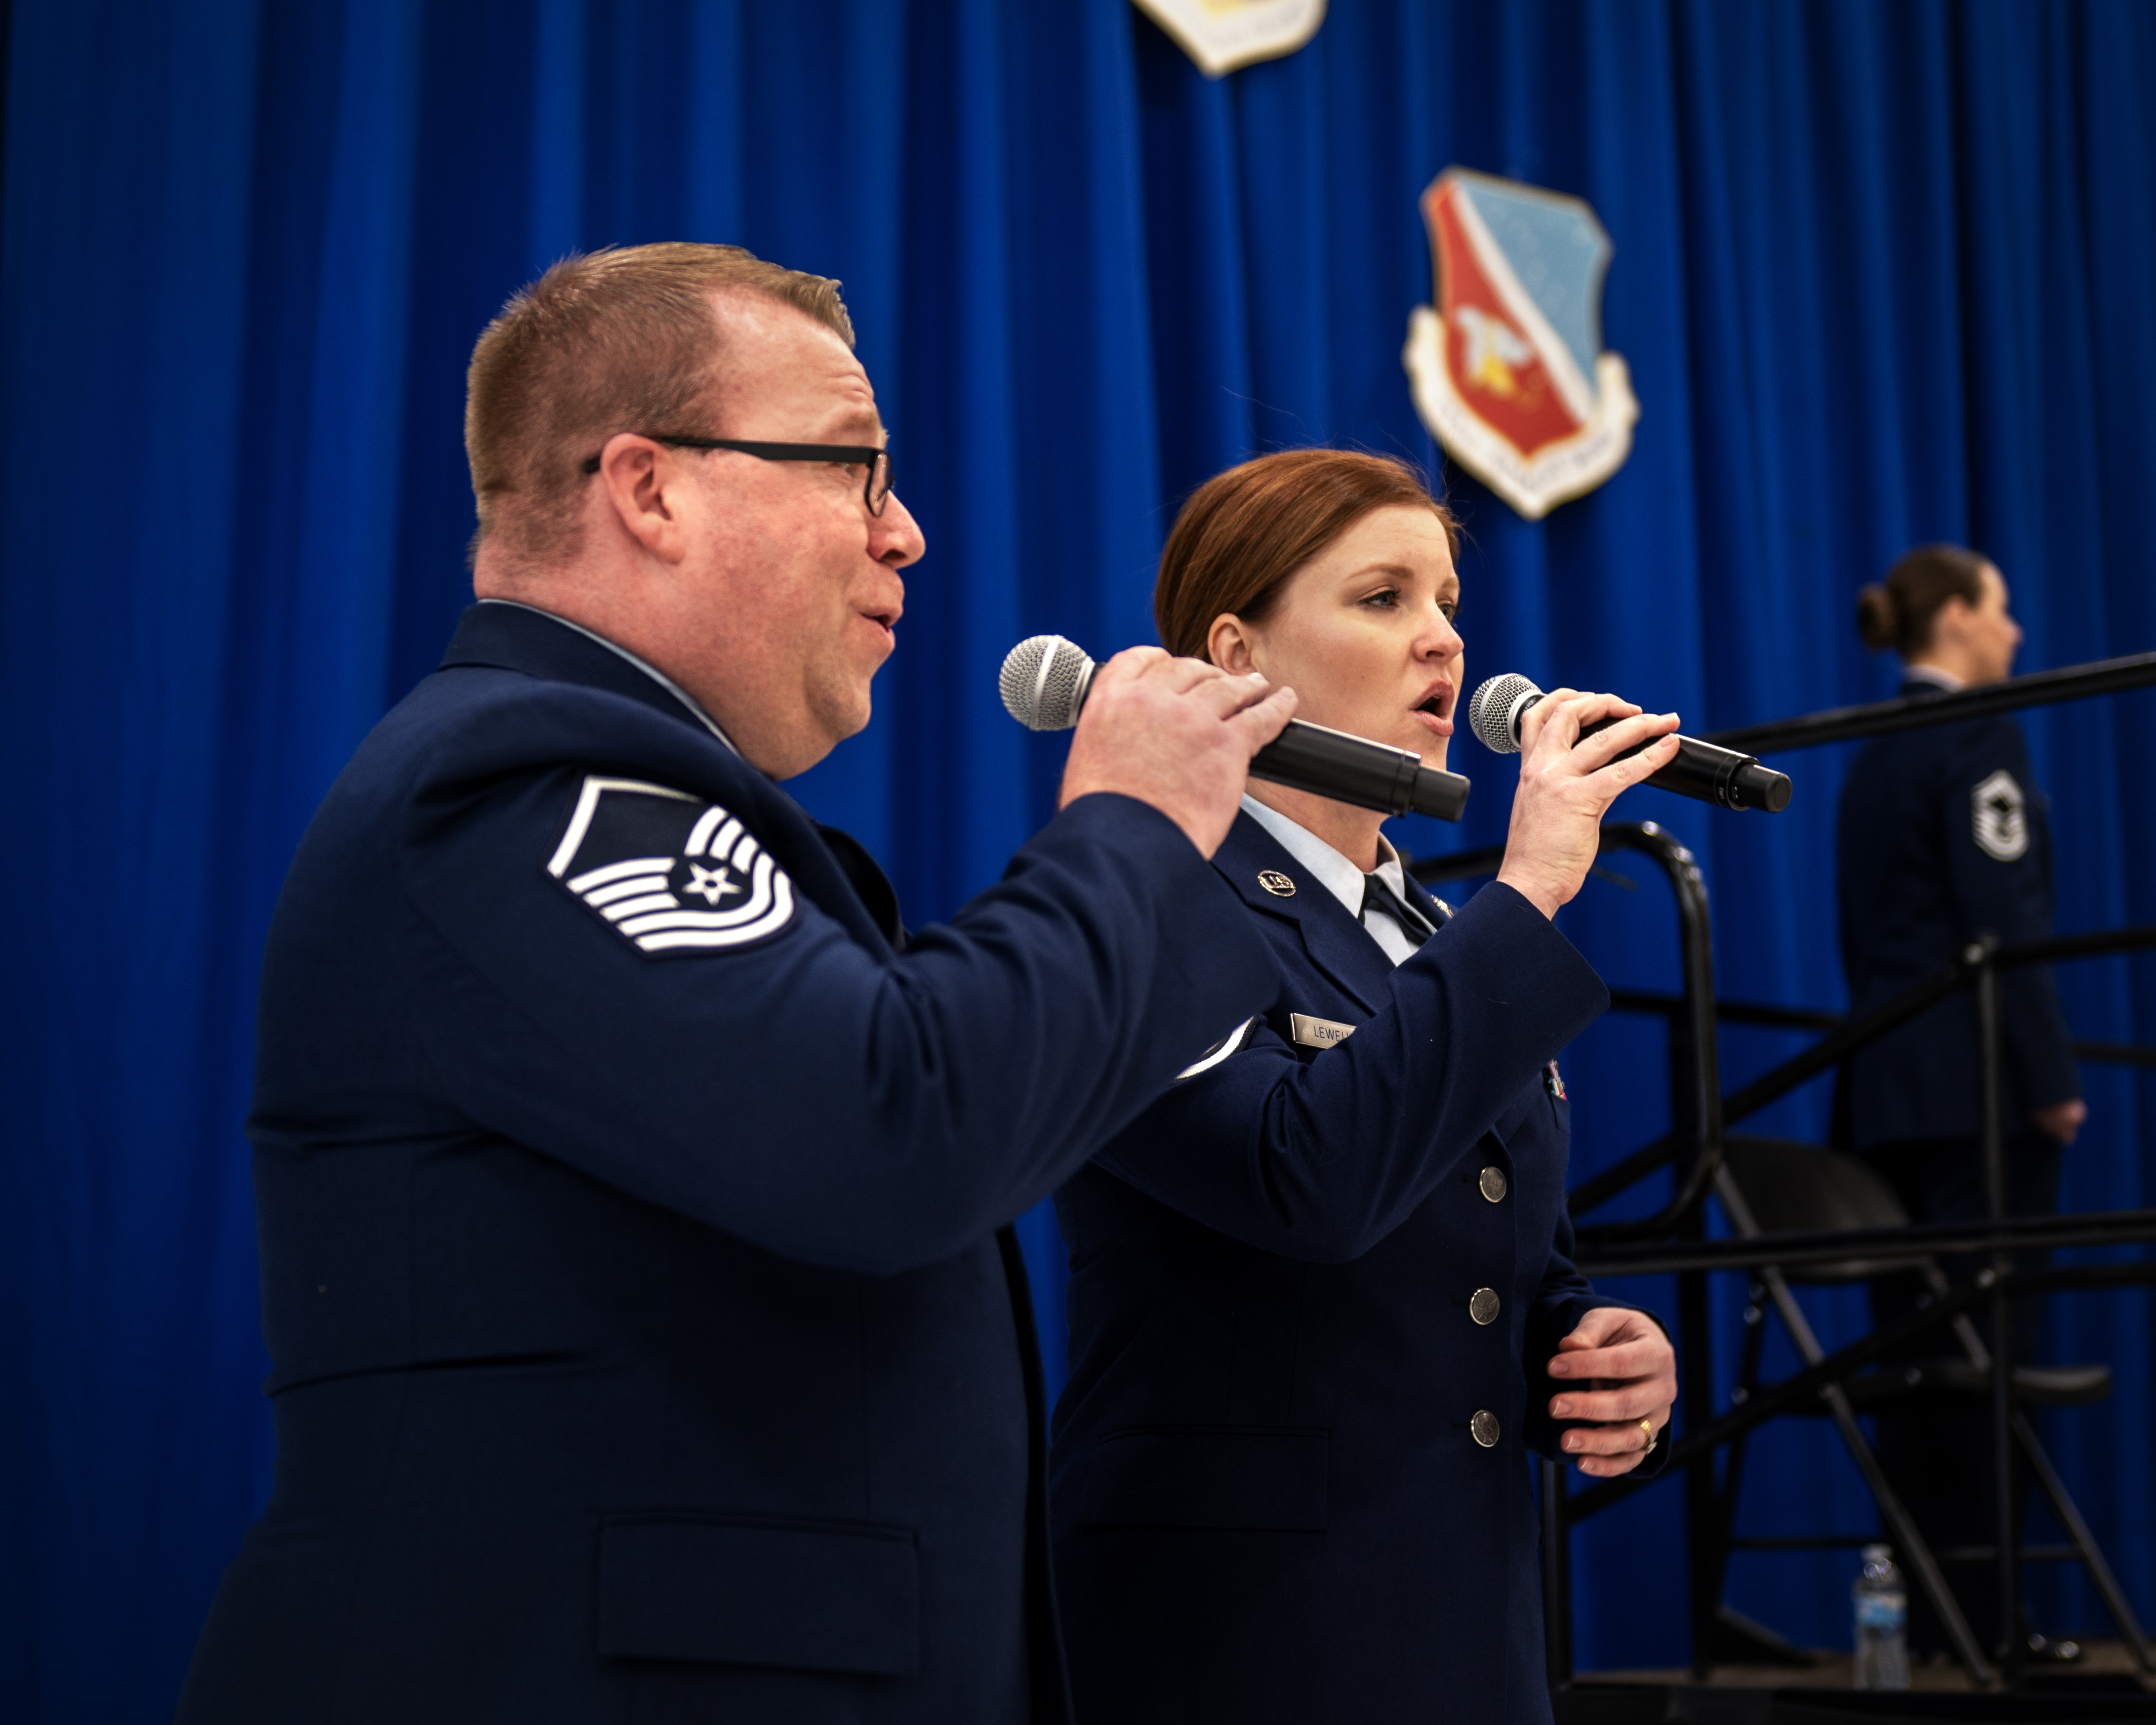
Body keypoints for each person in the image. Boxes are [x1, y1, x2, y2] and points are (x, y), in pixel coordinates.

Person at [174, 243, 1302, 1725]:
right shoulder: (522, 771)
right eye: (851, 467)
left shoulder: (588, 773)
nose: (904, 532)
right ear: (650, 490)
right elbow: (896, 1131)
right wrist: (1134, 825)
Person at [1048, 449, 1681, 1725]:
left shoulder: (1436, 930)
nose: (1441, 642)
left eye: (1447, 601)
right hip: (1240, 1626)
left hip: (1466, 1607)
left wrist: (1585, 1345)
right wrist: (1532, 885)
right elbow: (1308, 1183)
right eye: (1381, 599)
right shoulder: (1149, 896)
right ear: (1235, 652)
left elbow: (1496, 1249)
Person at [1838, 544, 2083, 1661]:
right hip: (1975, 1090)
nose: (2015, 632)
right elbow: (2003, 924)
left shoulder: (1871, 750)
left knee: (1918, 1364)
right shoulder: (1981, 732)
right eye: (2000, 605)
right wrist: (2049, 1079)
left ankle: (1930, 1623)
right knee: (1986, 1361)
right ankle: (1992, 1627)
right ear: (1952, 620)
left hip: (1883, 1090)